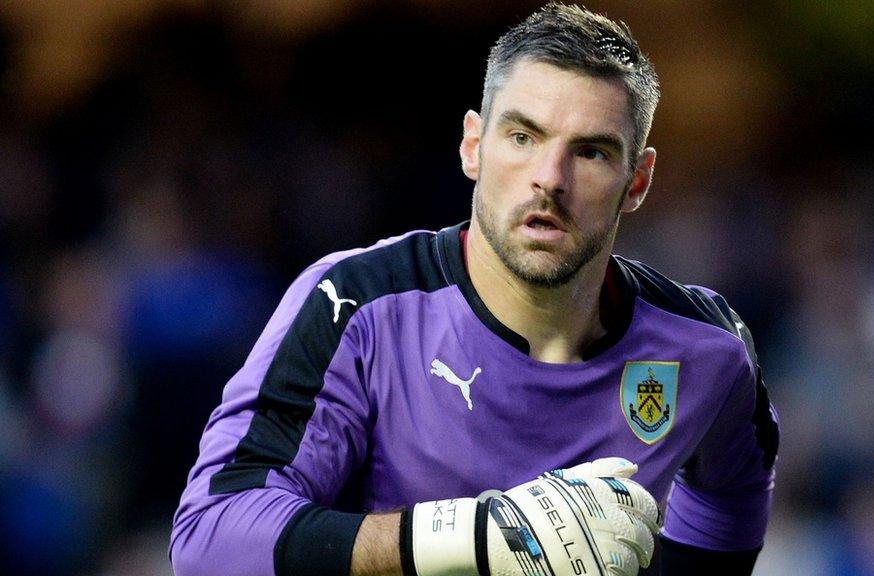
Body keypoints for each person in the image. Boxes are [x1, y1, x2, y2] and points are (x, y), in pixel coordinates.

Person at [170, 4, 779, 575]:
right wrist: (474, 537)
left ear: (637, 181)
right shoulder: (357, 306)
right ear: (472, 146)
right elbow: (209, 537)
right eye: (522, 137)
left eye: (590, 152)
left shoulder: (708, 350)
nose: (549, 179)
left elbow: (734, 495)